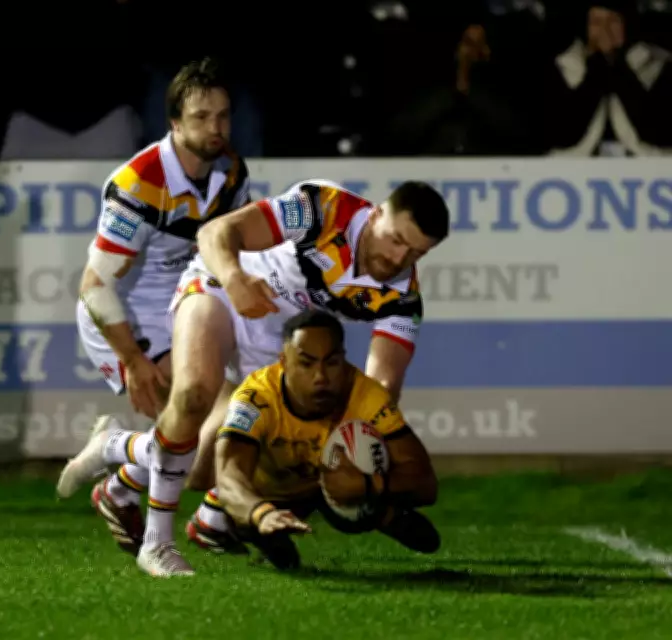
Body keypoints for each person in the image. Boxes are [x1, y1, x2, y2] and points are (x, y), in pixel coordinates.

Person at [60, 178, 449, 576]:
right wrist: (234, 278)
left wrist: (348, 454)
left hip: (277, 344)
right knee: (193, 396)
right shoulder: (322, 207)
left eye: (416, 252)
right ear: (377, 214)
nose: (399, 258)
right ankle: (157, 544)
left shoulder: (403, 298)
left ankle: (120, 461)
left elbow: (381, 390)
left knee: (204, 464)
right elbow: (215, 232)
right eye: (395, 240)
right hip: (223, 290)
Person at [56, 57, 250, 555]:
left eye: (223, 116)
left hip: (187, 302)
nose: (216, 128)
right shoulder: (138, 182)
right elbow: (95, 286)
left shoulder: (231, 170)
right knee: (200, 434)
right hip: (128, 316)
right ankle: (138, 481)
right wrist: (134, 359)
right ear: (174, 123)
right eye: (202, 117)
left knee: (236, 414)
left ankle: (121, 480)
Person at [203, 309, 439, 570]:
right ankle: (249, 530)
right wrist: (262, 514)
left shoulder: (367, 396)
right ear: (283, 362)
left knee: (358, 513)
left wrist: (370, 485)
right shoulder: (255, 398)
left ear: (344, 360)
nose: (321, 377)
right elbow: (228, 474)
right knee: (240, 516)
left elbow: (426, 484)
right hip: (274, 494)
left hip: (330, 490)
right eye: (306, 364)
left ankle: (380, 515)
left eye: (332, 363)